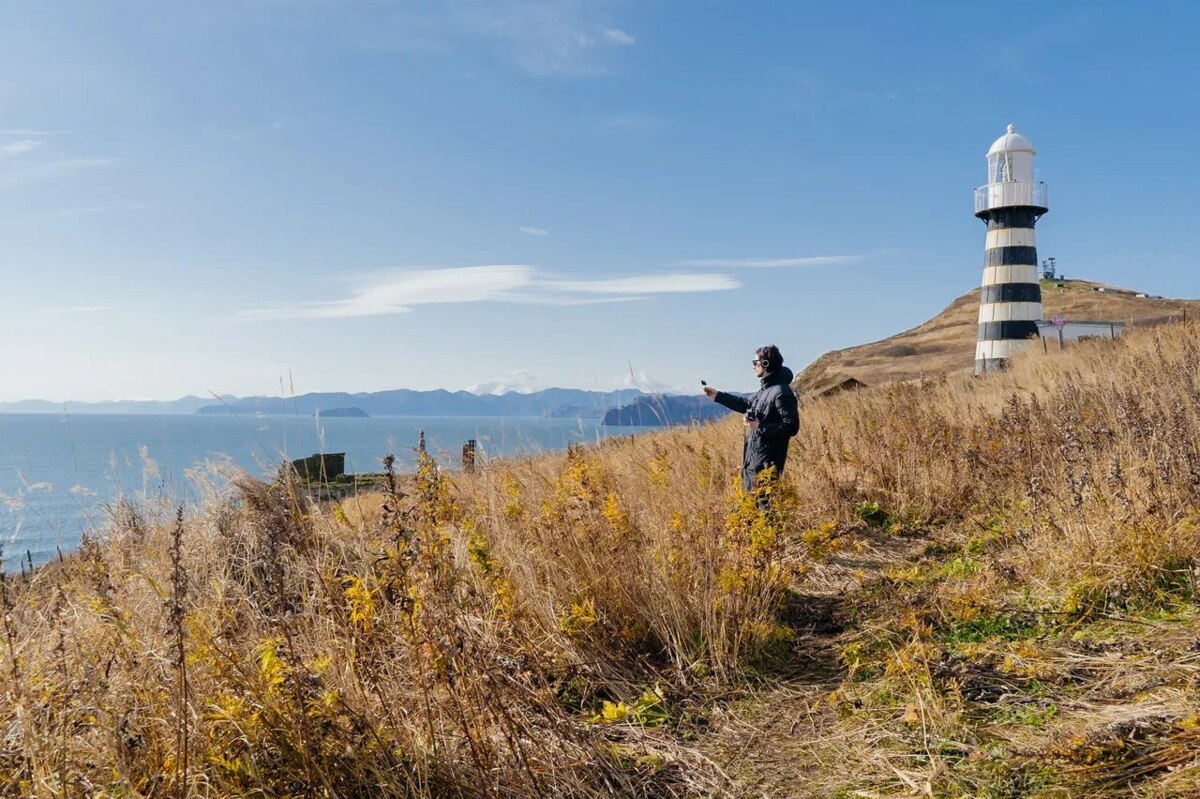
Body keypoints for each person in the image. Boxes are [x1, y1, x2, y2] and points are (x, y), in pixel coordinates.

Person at [703, 345, 800, 493]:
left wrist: (758, 426)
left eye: (755, 363)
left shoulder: (781, 392)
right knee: (750, 511)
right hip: (753, 463)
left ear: (765, 364)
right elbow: (746, 404)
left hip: (767, 466)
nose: (753, 367)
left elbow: (791, 426)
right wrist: (717, 395)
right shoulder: (765, 390)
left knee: (765, 511)